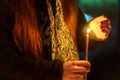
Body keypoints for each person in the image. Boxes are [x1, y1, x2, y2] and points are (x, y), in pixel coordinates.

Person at [0, 0, 111, 80]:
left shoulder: (67, 3)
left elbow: (75, 41)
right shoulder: (9, 5)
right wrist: (58, 72)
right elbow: (5, 62)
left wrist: (93, 33)